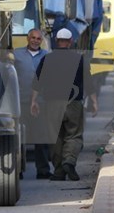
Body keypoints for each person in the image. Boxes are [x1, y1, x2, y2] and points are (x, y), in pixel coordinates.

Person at [30, 28, 97, 181]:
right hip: (73, 104)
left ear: (56, 41)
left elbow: (37, 82)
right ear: (70, 41)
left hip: (52, 104)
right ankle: (69, 160)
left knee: (56, 137)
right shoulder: (79, 59)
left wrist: (34, 101)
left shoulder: (47, 59)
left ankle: (59, 171)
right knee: (74, 135)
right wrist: (94, 101)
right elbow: (88, 81)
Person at [13, 29, 51, 179]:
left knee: (40, 136)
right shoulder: (17, 55)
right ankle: (18, 169)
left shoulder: (46, 56)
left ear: (41, 41)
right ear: (28, 39)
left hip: (40, 103)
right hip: (21, 101)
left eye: (38, 39)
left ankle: (42, 170)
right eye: (33, 38)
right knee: (19, 138)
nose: (35, 41)